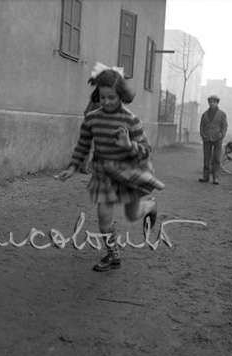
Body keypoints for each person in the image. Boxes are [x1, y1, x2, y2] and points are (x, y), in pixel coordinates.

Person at [60, 63, 164, 272]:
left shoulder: (131, 120)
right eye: (102, 97)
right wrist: (73, 166)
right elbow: (83, 144)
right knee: (103, 217)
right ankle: (112, 254)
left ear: (121, 96)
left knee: (132, 215)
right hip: (104, 174)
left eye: (112, 98)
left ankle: (150, 206)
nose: (106, 102)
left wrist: (128, 145)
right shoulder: (92, 118)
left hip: (128, 173)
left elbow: (146, 150)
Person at [199, 94, 228, 185]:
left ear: (217, 103)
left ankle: (216, 178)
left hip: (217, 139)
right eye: (210, 102)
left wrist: (221, 135)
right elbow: (201, 126)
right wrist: (203, 135)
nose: (212, 104)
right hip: (206, 138)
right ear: (208, 103)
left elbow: (224, 126)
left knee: (217, 158)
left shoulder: (222, 114)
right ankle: (205, 176)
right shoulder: (204, 114)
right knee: (206, 158)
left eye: (214, 102)